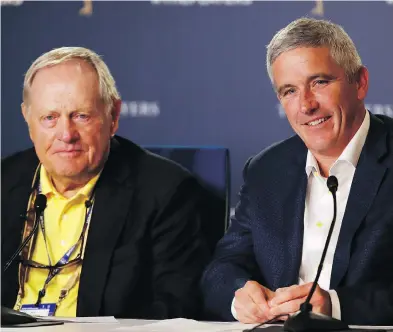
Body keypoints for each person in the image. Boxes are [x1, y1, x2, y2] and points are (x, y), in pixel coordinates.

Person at [201, 17, 393, 325]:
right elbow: (221, 268)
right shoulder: (266, 169)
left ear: (360, 83)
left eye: (319, 82)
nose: (306, 105)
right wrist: (239, 296)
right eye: (289, 91)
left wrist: (335, 305)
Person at [1, 46, 210, 318]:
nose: (66, 134)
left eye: (81, 116)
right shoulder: (5, 181)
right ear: (28, 120)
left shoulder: (165, 191)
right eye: (49, 118)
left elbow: (175, 308)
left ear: (113, 116)